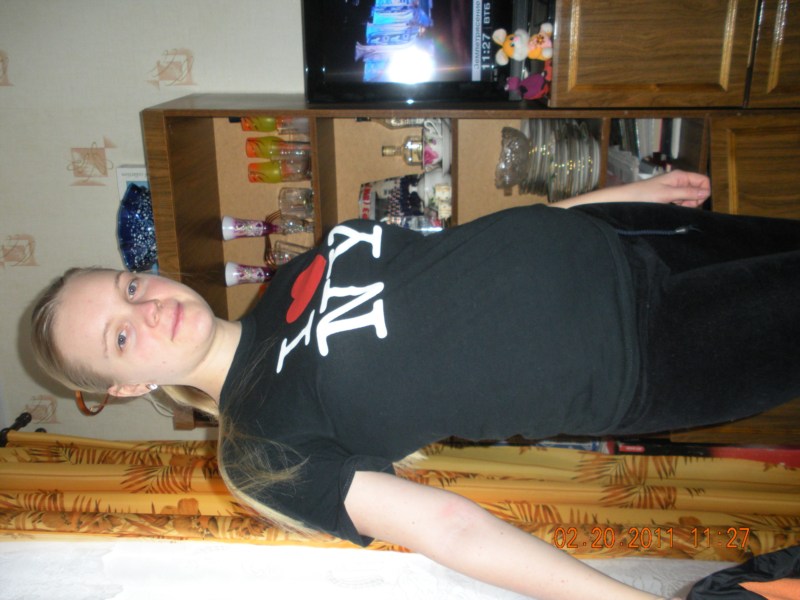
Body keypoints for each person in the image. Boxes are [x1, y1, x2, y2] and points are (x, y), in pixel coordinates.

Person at [31, 170, 800, 600]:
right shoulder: (259, 446)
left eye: (130, 286)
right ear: (127, 387)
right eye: (120, 337)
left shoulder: (287, 282)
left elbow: (455, 255)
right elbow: (449, 530)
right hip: (645, 349)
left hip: (633, 237)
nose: (148, 308)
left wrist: (605, 200)